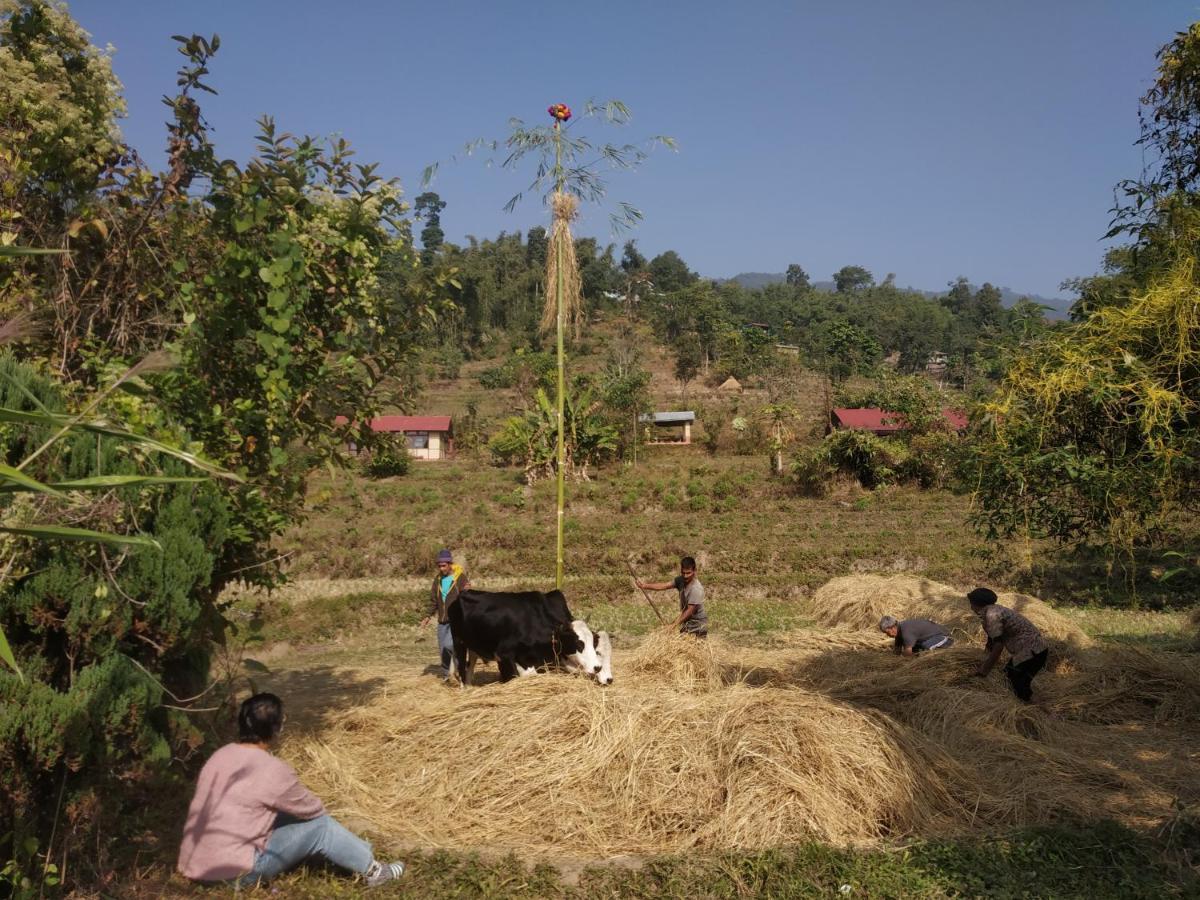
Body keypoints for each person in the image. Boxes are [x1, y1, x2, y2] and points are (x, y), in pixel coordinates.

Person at [177, 692, 404, 888]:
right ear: (277, 728)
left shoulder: (221, 754)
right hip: (237, 874)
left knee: (276, 813)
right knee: (322, 828)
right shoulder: (272, 769)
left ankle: (356, 849)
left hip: (194, 864)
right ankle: (375, 871)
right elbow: (313, 811)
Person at [967, 586, 1049, 702]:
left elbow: (998, 646)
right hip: (1035, 649)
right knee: (1008, 674)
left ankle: (1039, 709)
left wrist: (984, 669)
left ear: (974, 604)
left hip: (1032, 651)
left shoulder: (991, 615)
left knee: (1018, 685)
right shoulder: (994, 610)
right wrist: (983, 657)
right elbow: (992, 639)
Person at [420, 548, 469, 678]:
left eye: (443, 565)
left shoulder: (460, 578)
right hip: (442, 620)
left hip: (456, 620)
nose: (441, 568)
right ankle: (447, 675)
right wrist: (427, 616)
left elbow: (468, 598)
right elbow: (433, 600)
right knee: (443, 650)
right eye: (439, 566)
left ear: (450, 564)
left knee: (451, 645)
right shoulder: (438, 580)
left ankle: (459, 670)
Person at [637, 555, 708, 638]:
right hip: (687, 624)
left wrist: (673, 625)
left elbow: (690, 611)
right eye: (683, 572)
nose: (685, 576)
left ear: (694, 571)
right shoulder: (680, 580)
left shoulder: (696, 589)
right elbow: (665, 585)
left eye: (688, 573)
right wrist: (645, 586)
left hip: (697, 626)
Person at [878, 615, 954, 655]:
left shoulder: (906, 631)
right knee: (916, 649)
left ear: (893, 628)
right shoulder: (899, 632)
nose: (887, 635)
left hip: (944, 637)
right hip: (930, 639)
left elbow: (908, 655)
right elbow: (897, 651)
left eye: (887, 633)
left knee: (925, 648)